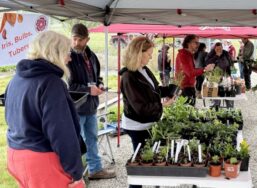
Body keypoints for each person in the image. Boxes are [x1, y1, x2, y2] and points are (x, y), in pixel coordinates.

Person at [5, 31, 85, 188]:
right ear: (55, 53)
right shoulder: (51, 83)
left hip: (15, 154)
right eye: (68, 53)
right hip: (41, 160)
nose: (69, 58)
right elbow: (61, 132)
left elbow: (9, 118)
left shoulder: (16, 79)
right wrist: (76, 172)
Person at [120, 36, 175, 188]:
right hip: (137, 126)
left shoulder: (142, 69)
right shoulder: (128, 76)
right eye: (148, 53)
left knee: (150, 160)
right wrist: (163, 106)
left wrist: (168, 90)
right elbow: (141, 108)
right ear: (138, 52)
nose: (151, 56)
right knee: (140, 164)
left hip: (148, 123)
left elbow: (153, 90)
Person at [67, 23, 116, 180]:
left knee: (92, 139)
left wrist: (99, 84)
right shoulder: (67, 57)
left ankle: (95, 170)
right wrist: (89, 90)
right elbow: (69, 86)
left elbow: (97, 77)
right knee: (75, 143)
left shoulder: (92, 56)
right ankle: (75, 176)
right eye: (74, 39)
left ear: (87, 39)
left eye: (80, 40)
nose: (76, 43)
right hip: (76, 108)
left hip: (91, 106)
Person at [176, 34, 214, 106]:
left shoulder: (189, 54)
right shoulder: (183, 55)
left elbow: (191, 70)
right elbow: (190, 73)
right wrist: (205, 69)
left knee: (190, 112)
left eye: (198, 43)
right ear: (188, 43)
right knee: (187, 113)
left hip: (189, 87)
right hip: (185, 88)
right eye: (196, 43)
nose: (198, 45)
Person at [206, 42, 234, 108]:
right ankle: (216, 106)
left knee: (227, 91)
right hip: (214, 77)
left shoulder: (225, 53)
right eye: (217, 49)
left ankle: (229, 106)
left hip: (225, 75)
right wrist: (216, 56)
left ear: (222, 48)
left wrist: (230, 71)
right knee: (216, 93)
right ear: (214, 48)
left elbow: (230, 62)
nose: (219, 50)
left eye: (220, 48)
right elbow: (207, 62)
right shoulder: (211, 53)